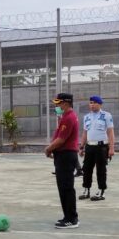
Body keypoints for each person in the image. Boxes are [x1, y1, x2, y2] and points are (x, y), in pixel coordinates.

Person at [45, 93, 80, 229]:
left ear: (66, 103)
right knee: (63, 188)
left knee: (66, 188)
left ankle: (72, 218)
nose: (57, 106)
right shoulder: (65, 116)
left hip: (66, 156)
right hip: (63, 155)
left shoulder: (69, 118)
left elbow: (61, 140)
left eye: (59, 103)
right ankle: (68, 216)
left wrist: (48, 149)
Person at [78, 95, 115, 201]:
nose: (92, 105)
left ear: (100, 104)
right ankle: (86, 190)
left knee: (101, 170)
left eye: (94, 103)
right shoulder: (87, 117)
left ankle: (101, 191)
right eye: (90, 103)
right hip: (90, 146)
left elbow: (110, 132)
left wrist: (111, 148)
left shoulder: (106, 116)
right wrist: (81, 147)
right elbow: (85, 133)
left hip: (102, 147)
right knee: (86, 169)